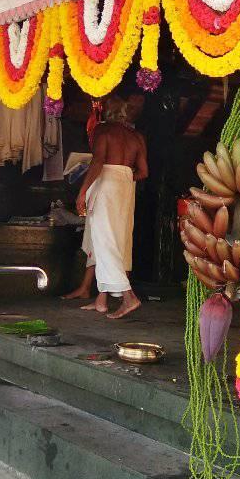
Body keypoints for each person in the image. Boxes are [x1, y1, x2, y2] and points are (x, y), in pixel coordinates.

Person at [63, 94, 147, 318]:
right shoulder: (136, 136)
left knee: (103, 239)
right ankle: (101, 300)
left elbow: (98, 162)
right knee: (114, 239)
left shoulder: (103, 130)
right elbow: (143, 172)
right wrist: (123, 176)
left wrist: (82, 193)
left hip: (106, 183)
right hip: (126, 185)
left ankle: (129, 297)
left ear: (105, 113)